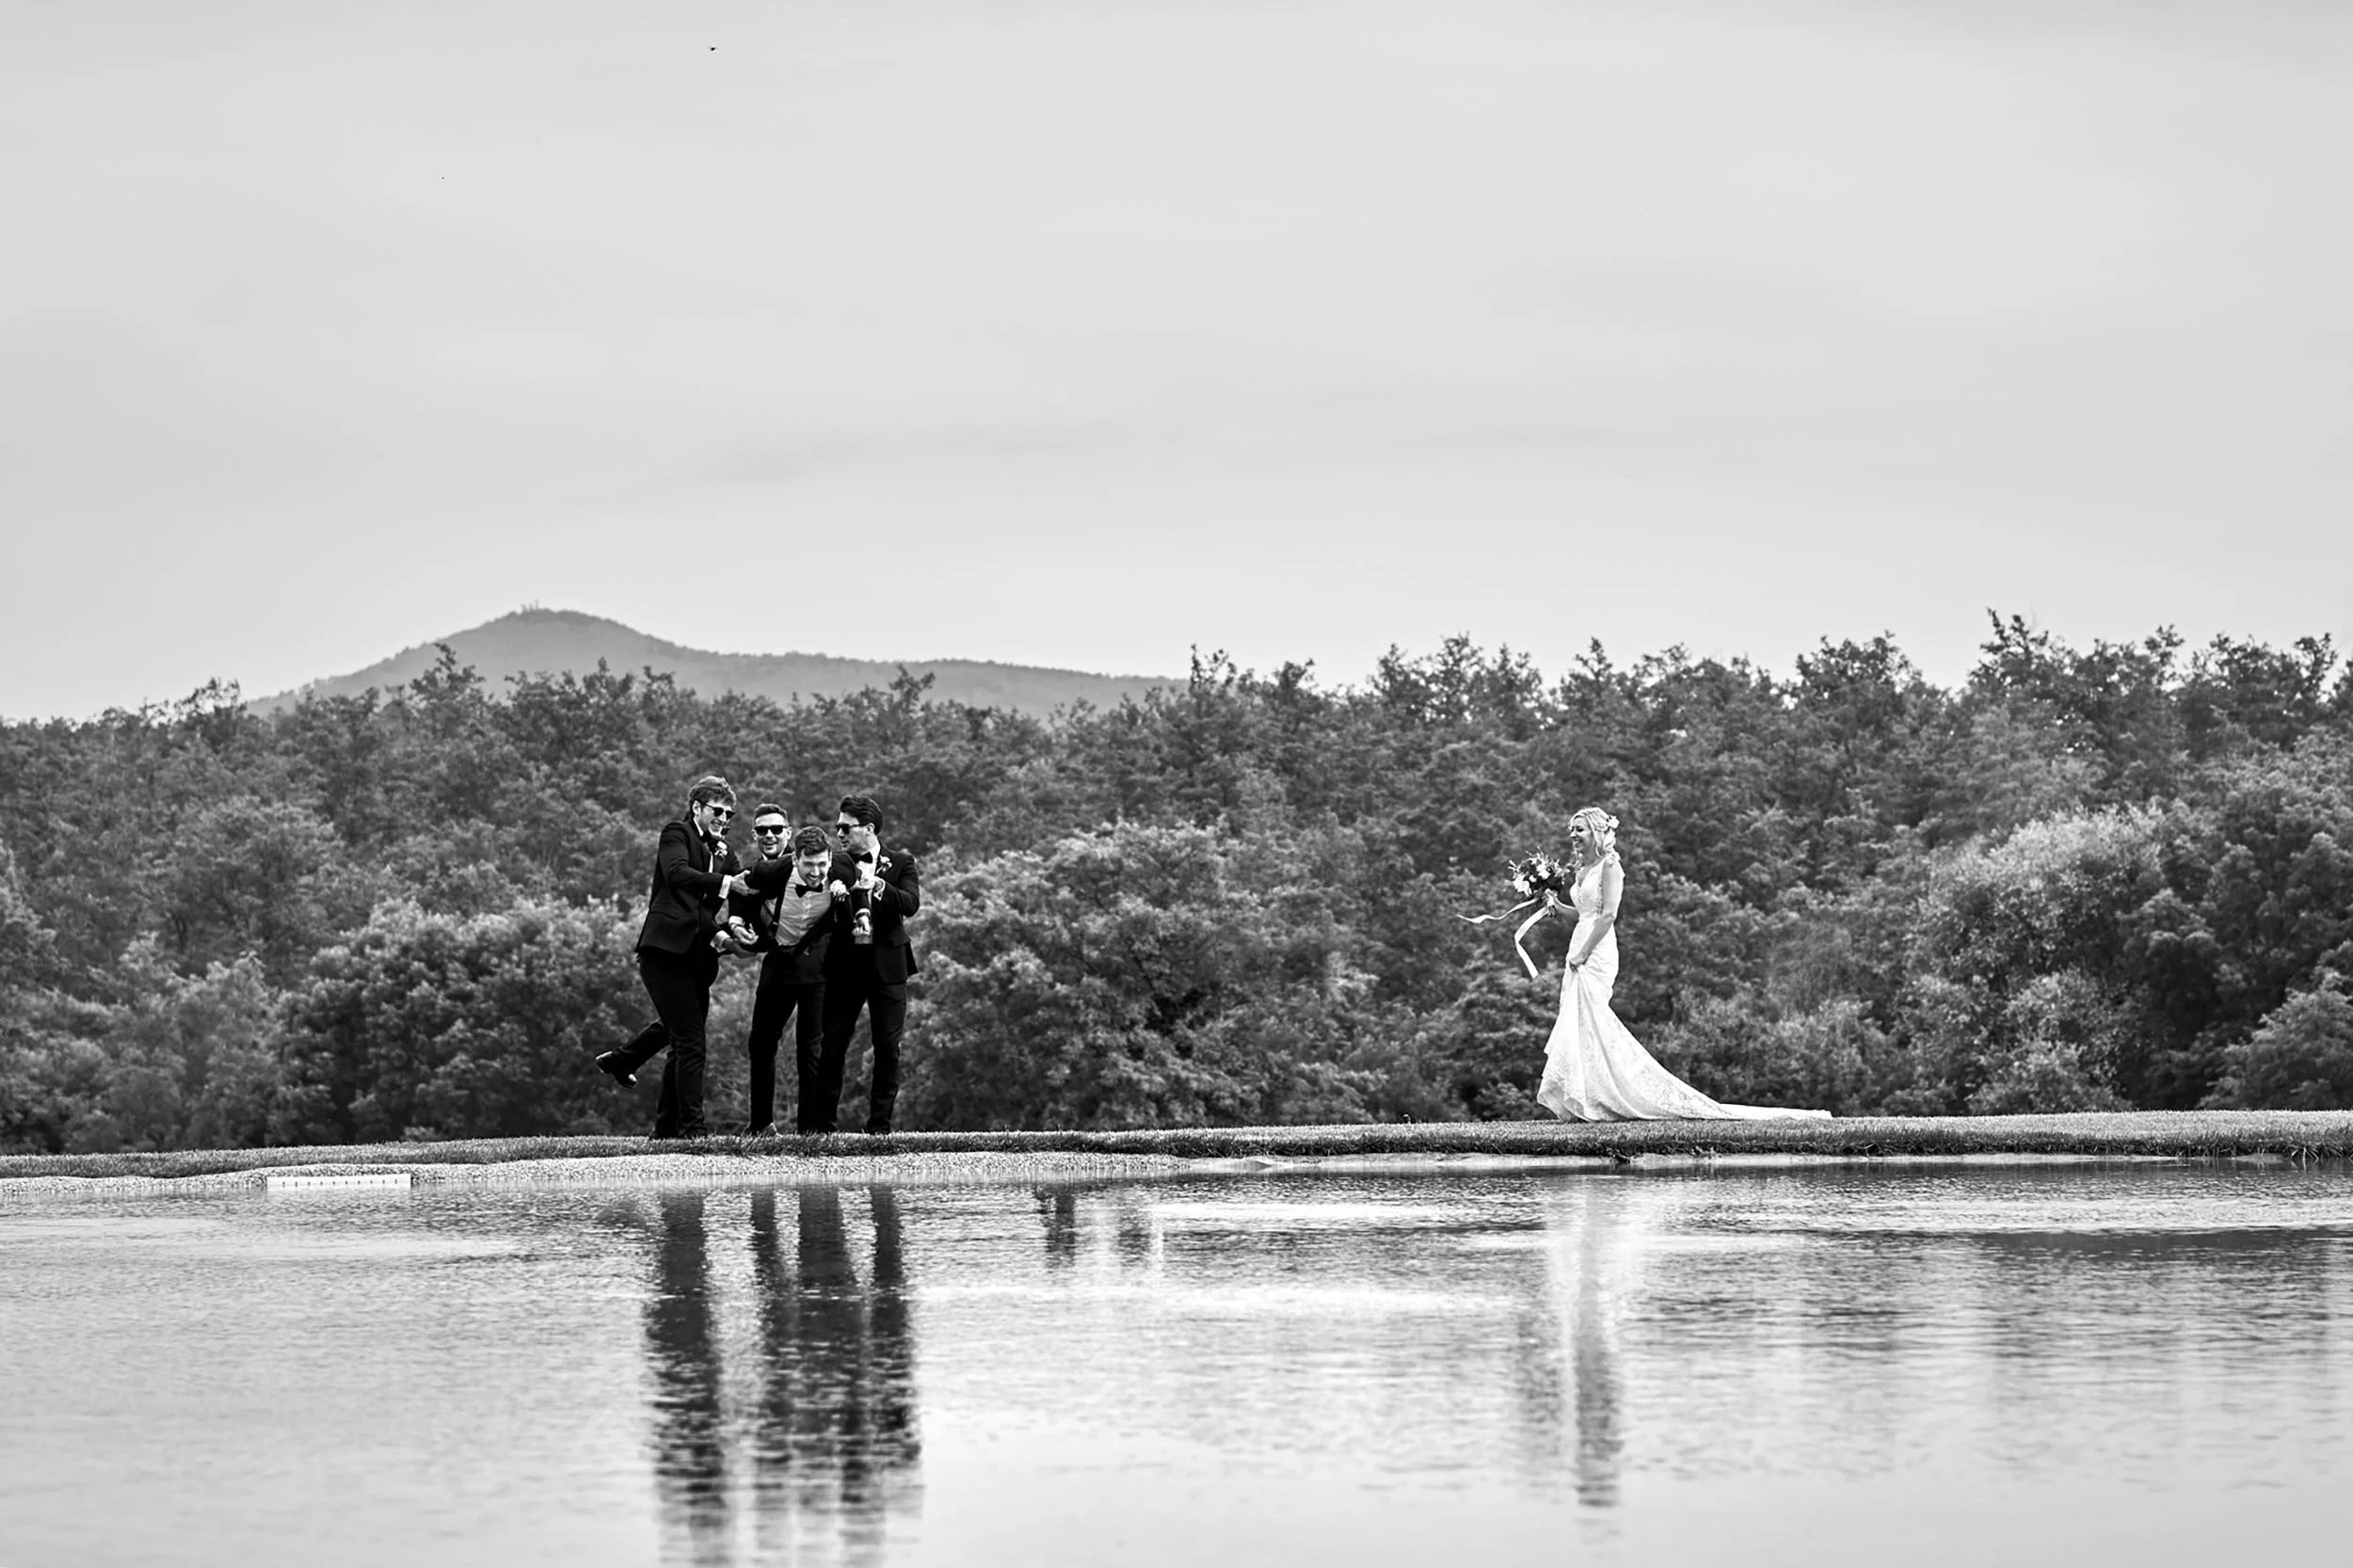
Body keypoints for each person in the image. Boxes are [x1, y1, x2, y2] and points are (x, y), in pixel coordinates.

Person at [1536, 807, 1830, 1122]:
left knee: (1594, 1020)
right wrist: (1555, 906)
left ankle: (1617, 1093)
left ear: (1596, 832)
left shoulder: (1610, 866)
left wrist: (1583, 953)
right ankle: (1587, 1096)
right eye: (1571, 830)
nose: (1573, 835)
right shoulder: (1581, 872)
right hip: (1579, 944)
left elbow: (1608, 915)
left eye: (1579, 829)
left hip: (1596, 951)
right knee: (1578, 1021)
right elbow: (1582, 915)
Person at [744, 793, 920, 1134]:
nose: (839, 832)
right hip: (844, 969)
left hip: (889, 967)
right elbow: (783, 873)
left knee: (887, 1046)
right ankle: (822, 1127)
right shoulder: (834, 861)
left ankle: (879, 1128)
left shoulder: (901, 863)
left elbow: (911, 903)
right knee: (832, 1046)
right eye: (837, 827)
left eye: (846, 827)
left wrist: (878, 886)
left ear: (868, 828)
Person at [596, 775, 744, 1139]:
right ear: (697, 807)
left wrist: (735, 929)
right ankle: (693, 1129)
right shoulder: (676, 835)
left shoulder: (725, 852)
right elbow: (677, 875)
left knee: (680, 1036)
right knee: (691, 1038)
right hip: (663, 952)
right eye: (718, 811)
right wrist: (726, 884)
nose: (724, 819)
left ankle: (662, 1124)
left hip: (698, 958)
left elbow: (730, 899)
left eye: (730, 814)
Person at [725, 816, 850, 1135]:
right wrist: (737, 923)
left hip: (818, 970)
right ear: (794, 859)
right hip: (778, 964)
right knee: (762, 1043)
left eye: (822, 864)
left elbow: (858, 891)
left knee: (811, 1048)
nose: (816, 871)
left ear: (831, 859)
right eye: (809, 864)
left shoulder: (841, 871)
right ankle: (761, 1125)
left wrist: (843, 890)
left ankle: (810, 1129)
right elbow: (740, 886)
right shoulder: (773, 870)